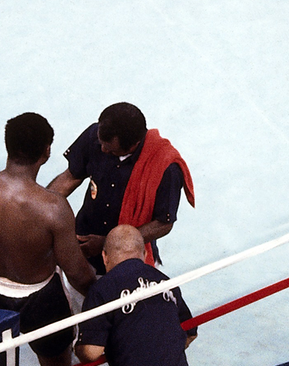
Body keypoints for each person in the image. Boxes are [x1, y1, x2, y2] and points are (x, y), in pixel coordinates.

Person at [0, 114, 96, 366]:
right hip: (41, 300)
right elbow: (76, 273)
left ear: (7, 145)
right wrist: (103, 297)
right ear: (46, 152)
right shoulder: (53, 208)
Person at [47, 103, 193, 273]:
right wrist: (37, 208)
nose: (102, 149)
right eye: (101, 143)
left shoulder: (165, 168)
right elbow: (70, 177)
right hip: (82, 249)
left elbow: (163, 223)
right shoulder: (96, 136)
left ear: (133, 145)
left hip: (128, 261)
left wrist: (108, 243)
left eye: (109, 149)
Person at [76, 225, 197, 366]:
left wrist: (78, 346)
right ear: (145, 255)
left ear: (105, 257)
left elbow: (91, 352)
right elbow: (190, 332)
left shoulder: (101, 290)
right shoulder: (166, 282)